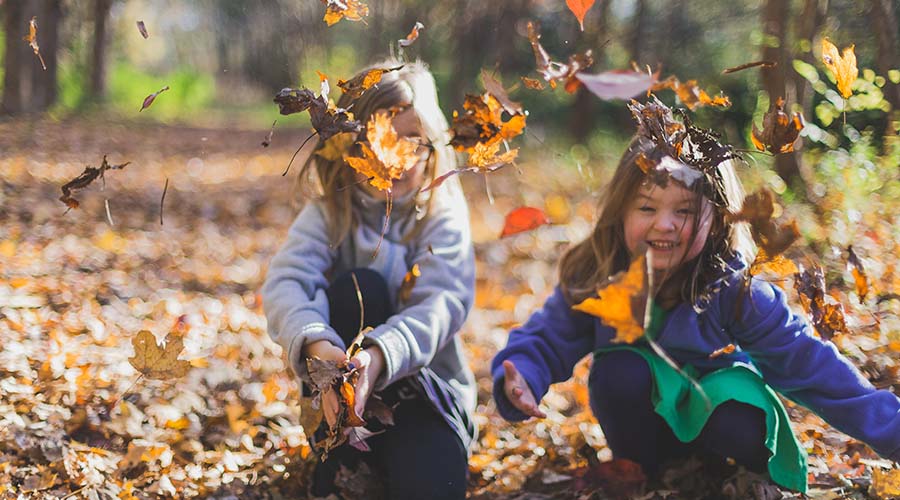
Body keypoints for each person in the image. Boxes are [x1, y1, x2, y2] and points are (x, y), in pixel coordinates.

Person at [491, 99, 900, 493]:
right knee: (619, 371)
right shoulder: (600, 274)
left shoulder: (735, 289)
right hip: (643, 430)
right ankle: (649, 474)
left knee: (736, 406)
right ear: (621, 211)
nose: (664, 224)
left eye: (684, 211)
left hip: (723, 425)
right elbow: (548, 336)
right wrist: (525, 374)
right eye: (647, 208)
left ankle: (736, 475)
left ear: (719, 219)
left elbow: (810, 365)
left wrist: (892, 432)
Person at [263, 59, 474, 499]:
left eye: (409, 141)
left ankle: (411, 457)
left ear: (431, 143)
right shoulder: (328, 214)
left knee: (435, 486)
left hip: (425, 398)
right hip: (338, 400)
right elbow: (288, 282)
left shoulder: (441, 217)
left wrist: (378, 358)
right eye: (375, 139)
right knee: (360, 287)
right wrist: (321, 351)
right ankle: (343, 453)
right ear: (346, 145)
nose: (391, 156)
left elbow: (442, 303)